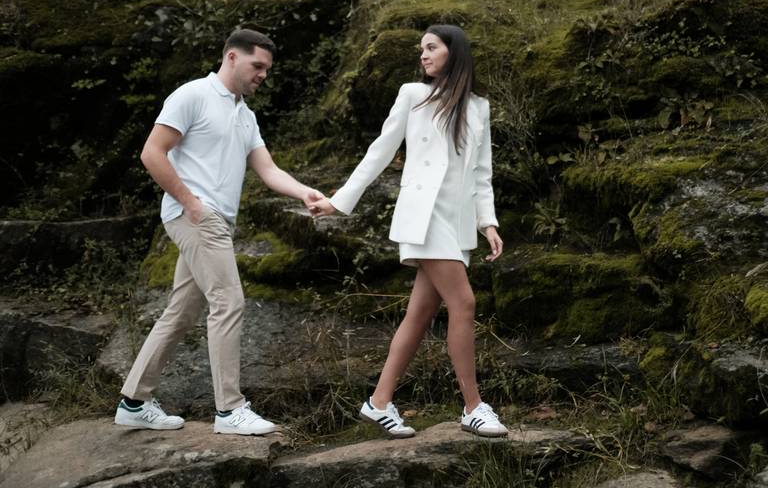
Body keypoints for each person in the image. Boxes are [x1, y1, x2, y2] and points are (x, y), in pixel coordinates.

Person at [114, 29, 324, 435]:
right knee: (228, 302)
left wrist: (303, 192)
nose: (263, 75)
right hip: (197, 215)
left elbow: (268, 169)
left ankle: (134, 402)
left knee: (182, 312)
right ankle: (230, 410)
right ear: (231, 57)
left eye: (267, 69)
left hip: (217, 221)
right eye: (257, 65)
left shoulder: (246, 116)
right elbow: (151, 153)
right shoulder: (193, 95)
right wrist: (191, 202)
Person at [312, 24, 508, 438]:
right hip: (424, 216)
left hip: (457, 223)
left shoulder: (479, 107)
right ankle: (473, 407)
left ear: (454, 52)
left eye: (431, 47)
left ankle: (379, 401)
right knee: (464, 303)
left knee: (419, 315)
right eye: (422, 49)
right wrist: (339, 200)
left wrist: (487, 221)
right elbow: (379, 151)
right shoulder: (413, 95)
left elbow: (481, 173)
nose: (423, 55)